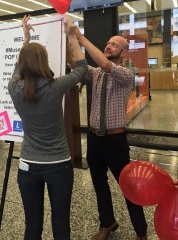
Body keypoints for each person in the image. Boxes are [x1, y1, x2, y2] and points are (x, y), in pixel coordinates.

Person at [8, 15, 87, 240]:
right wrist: (72, 36)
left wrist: (26, 38)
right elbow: (81, 69)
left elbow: (17, 66)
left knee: (32, 227)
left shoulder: (14, 87)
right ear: (44, 62)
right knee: (60, 226)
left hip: (27, 167)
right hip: (58, 166)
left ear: (23, 63)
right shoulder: (55, 87)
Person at [71, 25, 148, 240]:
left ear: (123, 53)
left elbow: (105, 64)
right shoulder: (96, 74)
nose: (109, 45)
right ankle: (107, 222)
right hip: (95, 139)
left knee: (127, 185)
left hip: (115, 140)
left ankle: (141, 231)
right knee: (98, 183)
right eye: (108, 42)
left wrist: (82, 38)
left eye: (114, 44)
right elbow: (77, 63)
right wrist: (70, 39)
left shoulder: (125, 73)